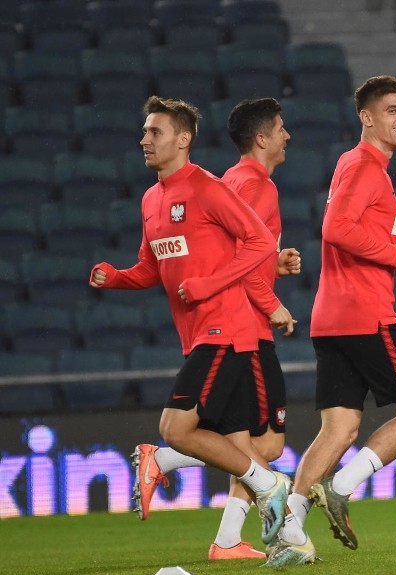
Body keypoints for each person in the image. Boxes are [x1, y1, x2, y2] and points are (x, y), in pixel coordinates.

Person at [264, 75, 396, 563]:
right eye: (392, 109)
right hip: (366, 316)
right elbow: (336, 229)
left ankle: (289, 528)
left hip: (332, 319)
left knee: (339, 430)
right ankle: (343, 486)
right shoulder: (365, 166)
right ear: (366, 118)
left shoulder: (358, 167)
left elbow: (365, 242)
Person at [90, 95, 292, 548]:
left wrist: (209, 285)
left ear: (184, 139)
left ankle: (264, 487)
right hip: (199, 333)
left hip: (226, 327)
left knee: (177, 429)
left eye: (154, 132)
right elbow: (149, 267)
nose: (144, 139)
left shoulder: (206, 187)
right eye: (144, 131)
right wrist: (117, 278)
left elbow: (259, 242)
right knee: (244, 445)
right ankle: (240, 539)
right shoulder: (150, 199)